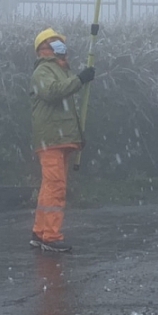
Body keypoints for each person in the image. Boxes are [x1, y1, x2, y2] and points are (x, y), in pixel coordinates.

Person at [29, 27, 95, 252]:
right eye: (55, 44)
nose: (61, 48)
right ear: (44, 49)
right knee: (56, 188)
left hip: (60, 138)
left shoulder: (60, 70)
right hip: (52, 139)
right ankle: (51, 237)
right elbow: (53, 92)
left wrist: (77, 136)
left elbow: (68, 109)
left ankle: (40, 232)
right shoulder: (44, 70)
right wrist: (78, 80)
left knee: (49, 187)